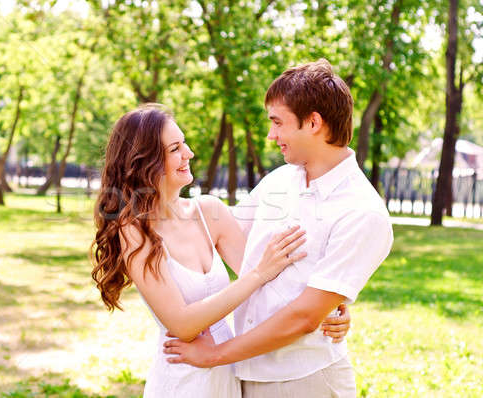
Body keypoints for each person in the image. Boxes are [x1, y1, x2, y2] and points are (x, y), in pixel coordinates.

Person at [163, 59, 394, 397]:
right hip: (244, 376)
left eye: (277, 122)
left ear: (313, 122)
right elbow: (218, 236)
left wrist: (213, 355)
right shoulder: (280, 180)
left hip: (304, 381)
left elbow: (303, 318)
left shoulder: (362, 211)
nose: (271, 135)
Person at [91, 103, 351, 398]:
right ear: (144, 161)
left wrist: (326, 311)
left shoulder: (208, 212)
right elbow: (182, 324)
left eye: (184, 143)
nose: (188, 153)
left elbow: (277, 289)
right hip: (182, 378)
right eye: (175, 148)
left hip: (227, 376)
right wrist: (258, 274)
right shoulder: (134, 232)